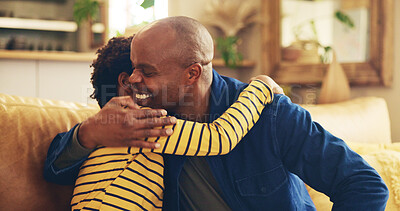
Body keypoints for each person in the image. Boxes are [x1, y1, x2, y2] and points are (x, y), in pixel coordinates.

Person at [44, 16, 389, 210]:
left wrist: (263, 88)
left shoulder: (269, 116)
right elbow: (54, 168)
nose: (134, 80)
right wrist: (88, 134)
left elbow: (363, 184)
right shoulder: (138, 119)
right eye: (132, 69)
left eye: (146, 71)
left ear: (191, 74)